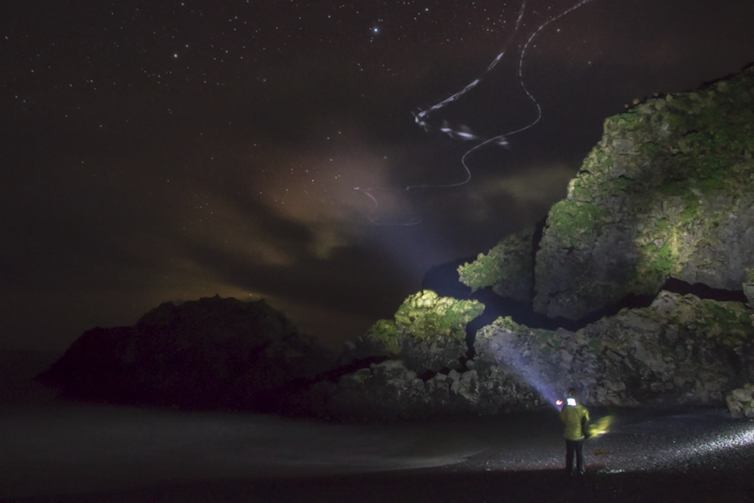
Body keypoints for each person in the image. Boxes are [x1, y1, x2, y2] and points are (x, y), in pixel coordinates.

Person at [559, 388, 589, 475]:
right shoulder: (583, 409)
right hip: (579, 435)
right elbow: (586, 419)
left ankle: (569, 470)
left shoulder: (566, 408)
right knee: (579, 453)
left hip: (569, 435)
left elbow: (562, 418)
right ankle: (580, 469)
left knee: (570, 453)